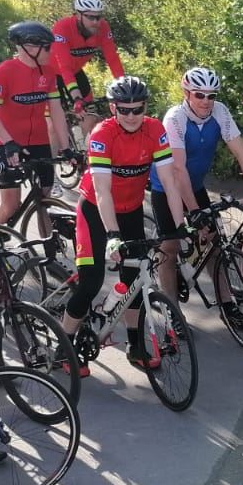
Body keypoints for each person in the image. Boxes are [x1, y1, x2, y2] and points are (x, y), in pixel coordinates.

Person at [60, 76, 190, 373]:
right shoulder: (102, 135)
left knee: (133, 279)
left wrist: (180, 227)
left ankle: (135, 344)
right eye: (124, 110)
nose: (131, 116)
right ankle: (64, 346)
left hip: (131, 210)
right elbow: (102, 192)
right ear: (113, 109)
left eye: (138, 109)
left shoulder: (154, 130)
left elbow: (170, 182)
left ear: (146, 107)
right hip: (96, 211)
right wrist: (113, 235)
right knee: (91, 282)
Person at [153, 67, 243, 329]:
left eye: (211, 95)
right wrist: (195, 212)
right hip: (167, 188)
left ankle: (227, 305)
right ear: (186, 93)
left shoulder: (220, 112)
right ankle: (173, 312)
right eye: (199, 94)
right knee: (169, 249)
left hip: (194, 185)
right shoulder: (175, 118)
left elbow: (241, 153)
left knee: (213, 245)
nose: (206, 100)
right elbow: (178, 170)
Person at [0, 20, 72, 226]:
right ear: (30, 48)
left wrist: (66, 147)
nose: (51, 52)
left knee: (45, 201)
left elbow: (56, 111)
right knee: (10, 206)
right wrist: (7, 141)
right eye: (47, 47)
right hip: (11, 144)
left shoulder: (49, 72)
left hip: (40, 142)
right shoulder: (6, 70)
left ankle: (49, 245)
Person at [50, 0, 125, 104]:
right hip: (50, 72)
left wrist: (123, 85)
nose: (95, 22)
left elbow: (112, 58)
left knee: (89, 106)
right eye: (90, 17)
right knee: (55, 109)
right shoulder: (63, 27)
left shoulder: (103, 27)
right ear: (78, 15)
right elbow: (64, 66)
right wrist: (76, 96)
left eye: (98, 17)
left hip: (75, 71)